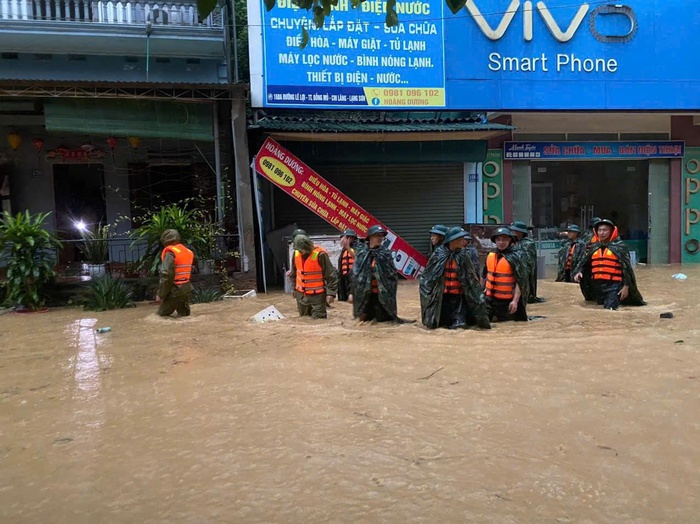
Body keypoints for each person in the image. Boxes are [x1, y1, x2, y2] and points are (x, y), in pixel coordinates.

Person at [420, 227, 491, 330]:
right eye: (461, 239)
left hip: (459, 298)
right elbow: (427, 278)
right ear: (453, 240)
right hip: (442, 297)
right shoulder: (438, 254)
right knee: (439, 326)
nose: (464, 241)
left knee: (459, 326)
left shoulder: (464, 255)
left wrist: (478, 296)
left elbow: (472, 279)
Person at [574, 219, 645, 310]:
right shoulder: (594, 247)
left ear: (611, 231)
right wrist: (579, 271)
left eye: (605, 230)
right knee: (596, 308)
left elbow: (627, 269)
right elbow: (585, 264)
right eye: (599, 230)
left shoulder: (620, 247)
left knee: (609, 309)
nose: (601, 233)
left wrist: (626, 286)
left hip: (614, 286)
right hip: (598, 286)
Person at [352, 225, 402, 322]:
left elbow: (392, 276)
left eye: (381, 236)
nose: (380, 238)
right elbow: (355, 275)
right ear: (370, 237)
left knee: (383, 322)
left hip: (381, 297)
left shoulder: (385, 253)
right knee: (362, 321)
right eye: (377, 236)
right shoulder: (362, 253)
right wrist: (351, 293)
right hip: (365, 296)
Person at [482, 227, 530, 322]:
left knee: (507, 325)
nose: (501, 242)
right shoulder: (491, 255)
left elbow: (520, 282)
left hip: (507, 301)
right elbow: (484, 275)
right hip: (489, 299)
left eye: (504, 239)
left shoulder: (517, 256)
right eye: (498, 239)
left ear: (510, 240)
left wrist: (515, 301)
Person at [289, 234, 338, 319]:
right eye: (298, 250)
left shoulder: (320, 255)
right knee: (304, 320)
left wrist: (331, 293)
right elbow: (294, 273)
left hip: (317, 297)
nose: (300, 252)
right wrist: (293, 288)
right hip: (301, 296)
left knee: (319, 322)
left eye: (301, 250)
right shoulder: (296, 254)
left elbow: (331, 274)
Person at [156, 229, 195, 317]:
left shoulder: (170, 253)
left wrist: (160, 294)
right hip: (186, 289)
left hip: (175, 290)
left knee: (160, 316)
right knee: (184, 316)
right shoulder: (187, 251)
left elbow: (166, 274)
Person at [510, 221, 543, 303]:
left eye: (515, 231)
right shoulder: (514, 242)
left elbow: (529, 262)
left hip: (525, 271)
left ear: (521, 232)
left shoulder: (528, 243)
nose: (513, 232)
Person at [337, 228, 358, 302]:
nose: (342, 240)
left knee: (351, 298)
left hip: (354, 277)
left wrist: (348, 247)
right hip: (344, 276)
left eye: (344, 238)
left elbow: (357, 258)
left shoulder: (357, 247)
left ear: (350, 238)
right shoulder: (343, 250)